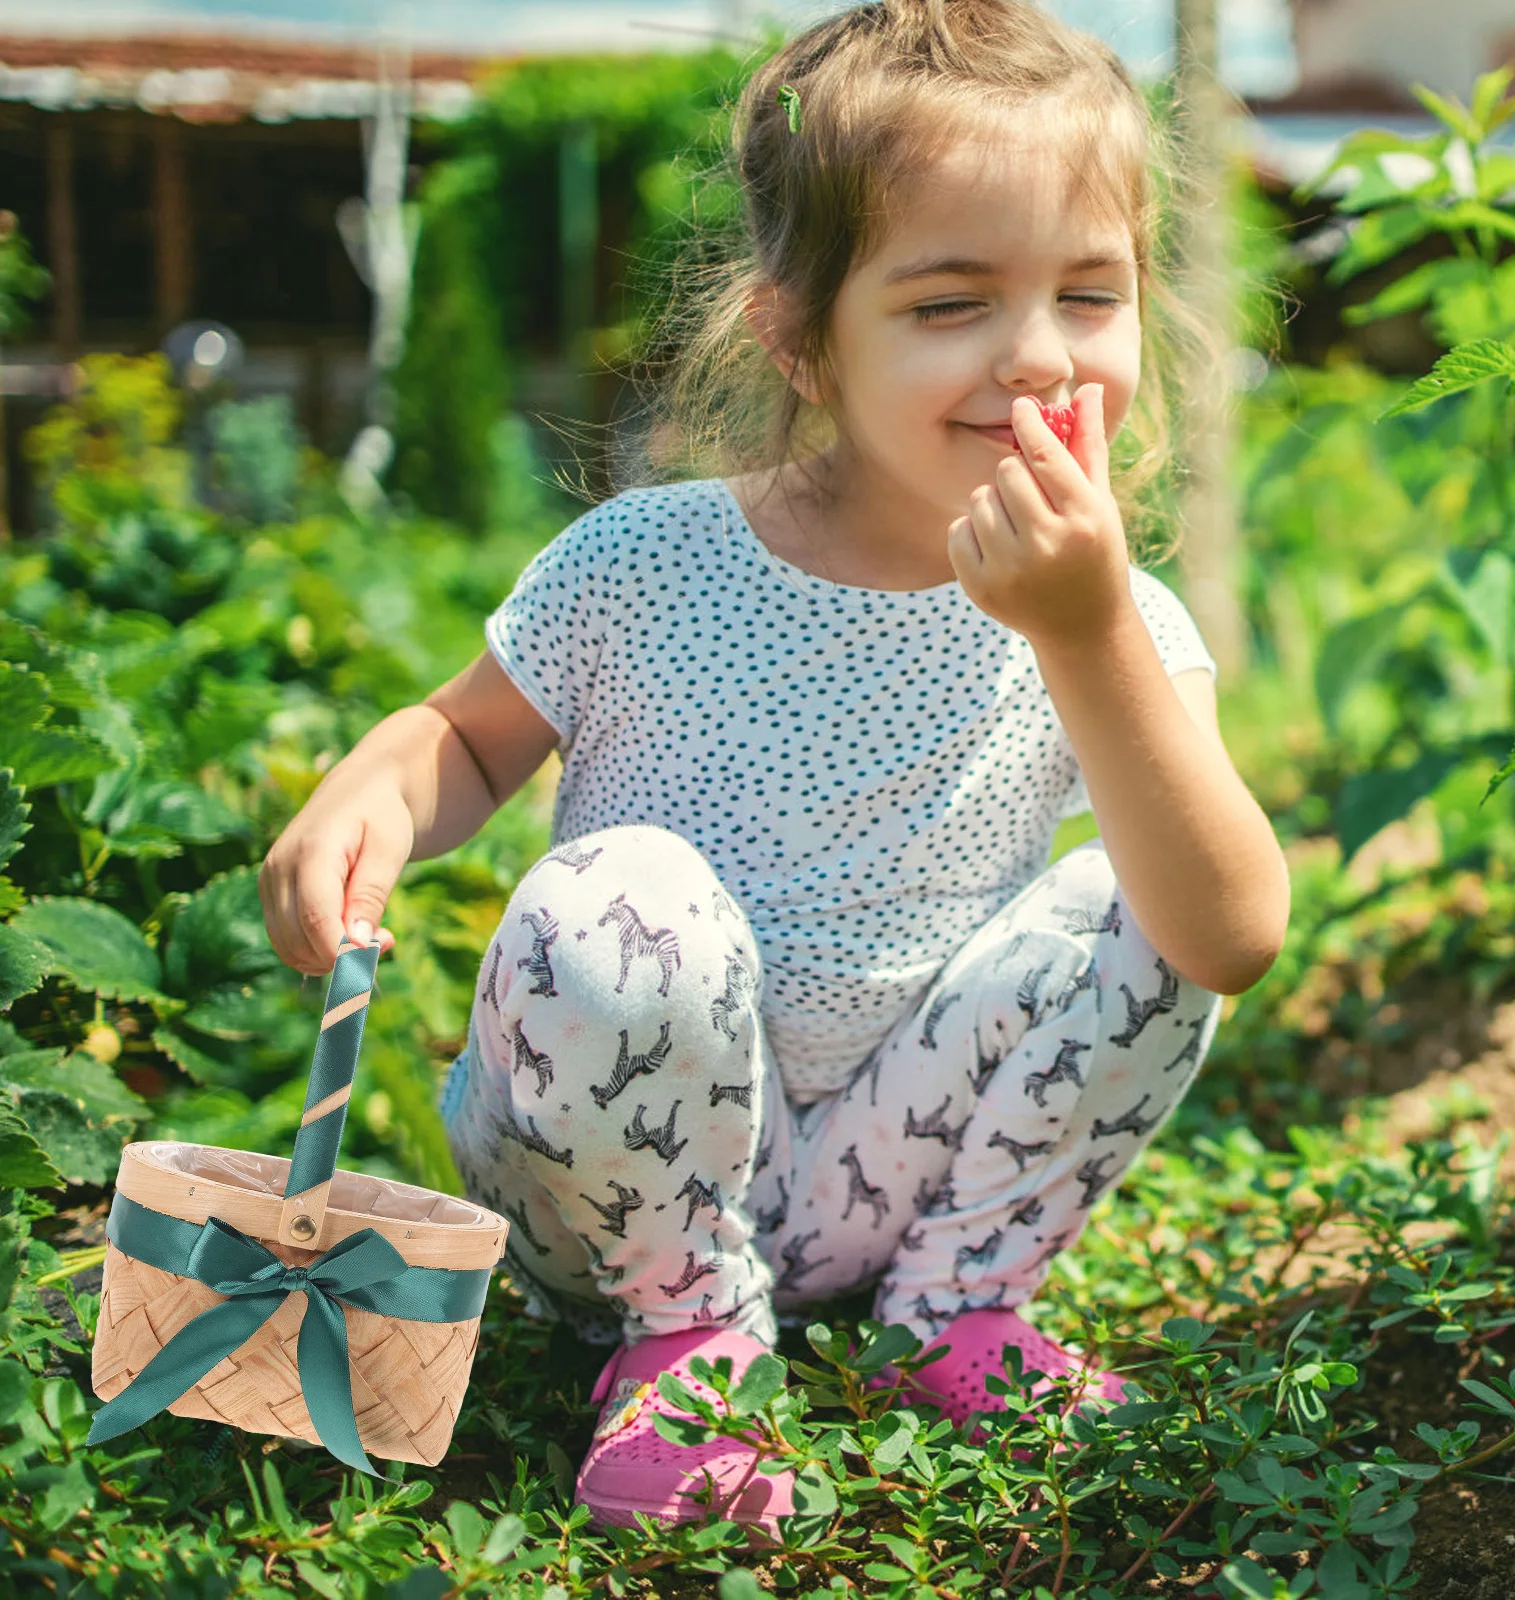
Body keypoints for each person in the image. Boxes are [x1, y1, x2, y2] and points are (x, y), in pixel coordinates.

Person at [260, 0, 1290, 1533]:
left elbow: (1229, 932)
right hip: (608, 1190)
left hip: (892, 1179)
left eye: (1090, 292)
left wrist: (1085, 638)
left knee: (1134, 887)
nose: (1037, 357)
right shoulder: (648, 562)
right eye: (950, 303)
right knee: (627, 892)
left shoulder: (1114, 624)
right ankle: (683, 1342)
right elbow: (466, 738)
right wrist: (373, 789)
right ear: (798, 341)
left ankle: (953, 1312)